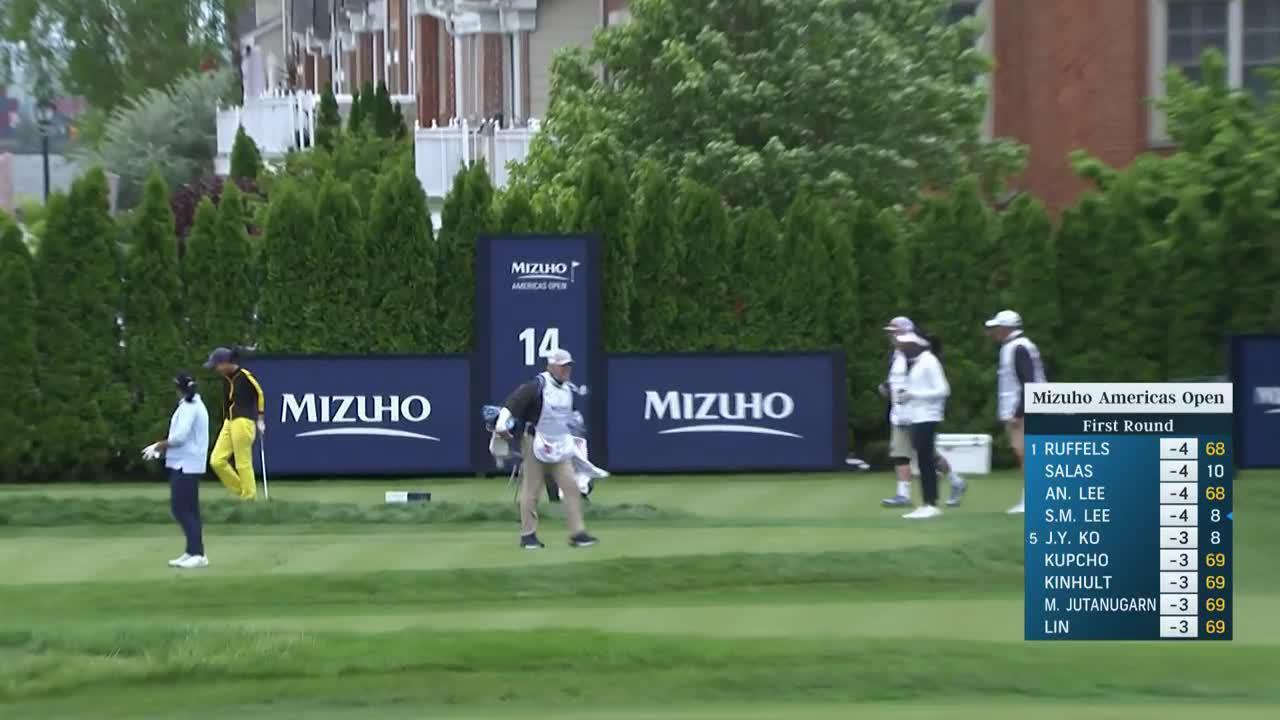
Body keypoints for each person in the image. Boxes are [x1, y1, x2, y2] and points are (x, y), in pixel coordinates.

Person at [495, 348, 599, 549]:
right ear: (551, 366)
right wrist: (501, 424)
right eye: (562, 367)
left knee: (571, 487)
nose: (566, 370)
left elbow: (570, 414)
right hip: (535, 443)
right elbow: (513, 403)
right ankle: (528, 535)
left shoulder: (568, 389)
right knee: (532, 491)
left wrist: (576, 422)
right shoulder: (536, 386)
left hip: (559, 446)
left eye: (568, 366)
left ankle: (577, 533)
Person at [880, 316, 966, 508]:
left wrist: (913, 395)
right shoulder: (897, 355)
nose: (892, 336)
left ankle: (954, 481)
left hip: (919, 412)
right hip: (900, 411)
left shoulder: (922, 358)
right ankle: (903, 494)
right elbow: (897, 380)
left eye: (895, 332)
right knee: (901, 453)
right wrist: (888, 387)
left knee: (927, 455)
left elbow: (937, 388)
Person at [142, 372, 211, 569]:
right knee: (188, 509)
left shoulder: (191, 407)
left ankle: (197, 553)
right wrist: (162, 451)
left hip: (187, 465)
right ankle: (192, 551)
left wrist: (158, 446)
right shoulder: (192, 405)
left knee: (182, 509)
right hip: (185, 462)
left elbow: (180, 437)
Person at [984, 309, 1046, 514]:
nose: (992, 332)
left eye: (996, 328)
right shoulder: (1014, 346)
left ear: (1005, 328)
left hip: (1026, 410)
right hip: (1025, 408)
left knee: (1026, 454)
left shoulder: (1018, 347)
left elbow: (1029, 382)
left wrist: (1019, 412)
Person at [894, 332, 951, 519]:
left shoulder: (929, 361)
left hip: (928, 416)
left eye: (905, 344)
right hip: (917, 416)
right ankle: (928, 503)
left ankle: (930, 504)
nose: (901, 348)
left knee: (925, 461)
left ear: (916, 345)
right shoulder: (917, 362)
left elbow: (943, 389)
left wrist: (914, 394)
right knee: (923, 460)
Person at [204, 346, 265, 500]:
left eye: (217, 365)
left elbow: (259, 394)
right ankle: (243, 491)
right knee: (216, 460)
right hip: (229, 421)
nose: (216, 369)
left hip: (244, 421)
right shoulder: (226, 379)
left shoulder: (245, 376)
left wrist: (260, 418)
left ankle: (249, 497)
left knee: (242, 462)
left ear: (225, 363)